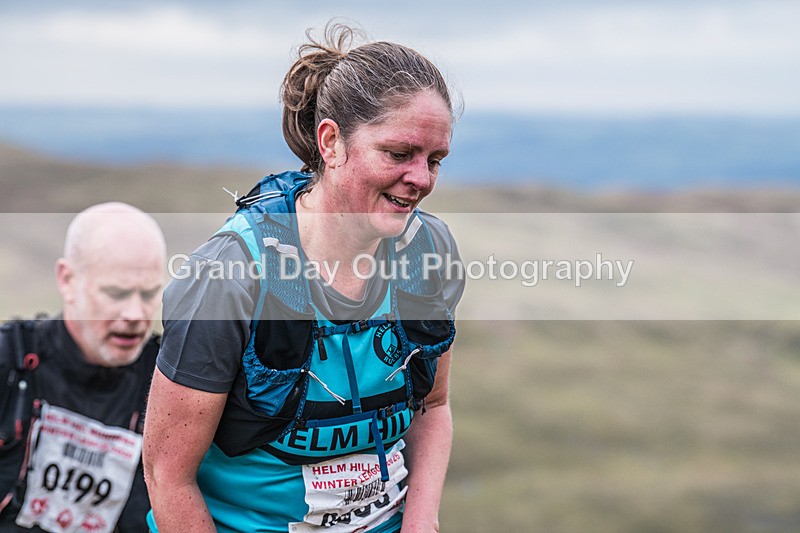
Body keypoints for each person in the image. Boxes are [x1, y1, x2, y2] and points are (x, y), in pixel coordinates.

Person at [143, 22, 464, 533]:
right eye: (399, 154)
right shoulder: (229, 276)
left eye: (435, 160)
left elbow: (433, 405)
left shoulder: (430, 251)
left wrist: (421, 522)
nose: (421, 179)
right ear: (331, 142)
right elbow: (167, 474)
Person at [0, 202, 167, 533]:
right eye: (116, 293)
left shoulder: (173, 379)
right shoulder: (9, 361)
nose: (135, 314)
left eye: (149, 294)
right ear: (67, 279)